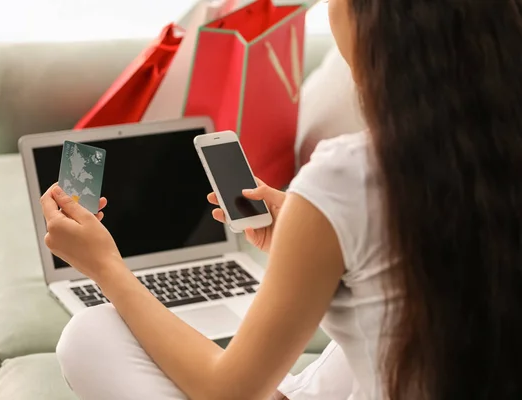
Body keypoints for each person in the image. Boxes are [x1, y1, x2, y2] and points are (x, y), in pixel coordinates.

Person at [40, 0, 522, 398]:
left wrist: (106, 267)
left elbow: (226, 390)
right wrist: (309, 230)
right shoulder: (485, 157)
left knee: (90, 336)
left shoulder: (349, 175)